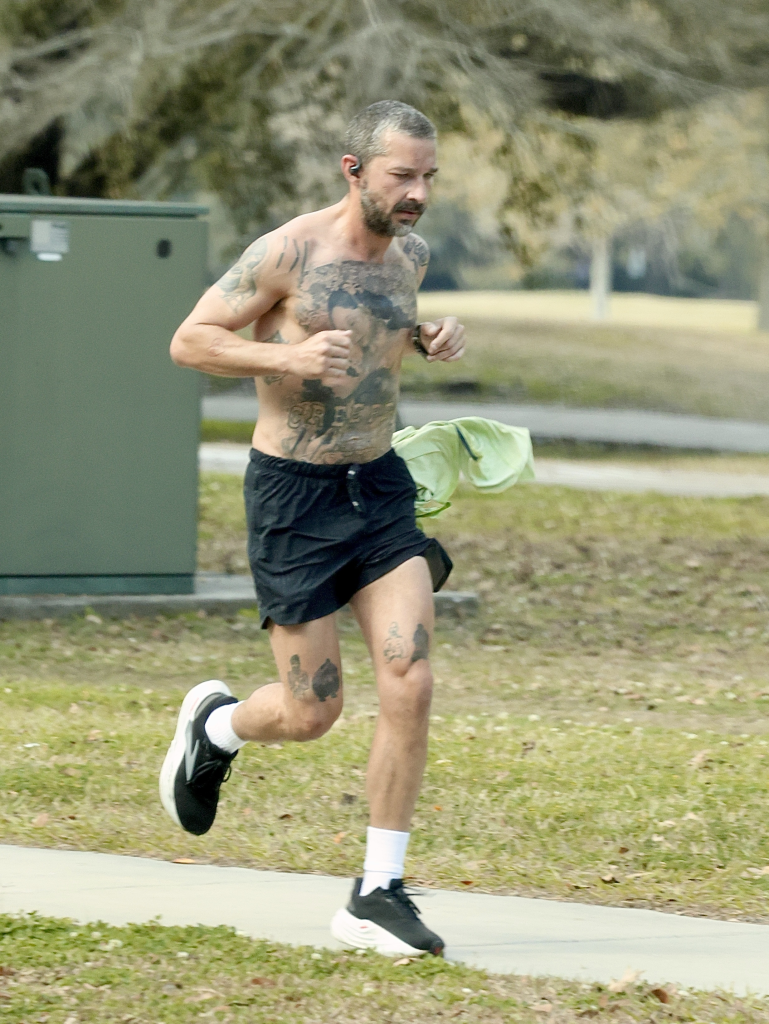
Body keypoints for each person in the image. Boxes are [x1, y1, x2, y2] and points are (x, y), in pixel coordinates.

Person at [159, 100, 466, 957]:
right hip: (293, 499)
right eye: (401, 174)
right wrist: (283, 357)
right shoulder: (286, 251)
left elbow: (380, 336)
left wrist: (429, 336)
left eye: (427, 177)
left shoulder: (412, 254)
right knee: (311, 712)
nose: (417, 193)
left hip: (379, 489)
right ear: (352, 168)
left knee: (409, 675)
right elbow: (189, 341)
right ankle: (215, 726)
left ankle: (378, 892)